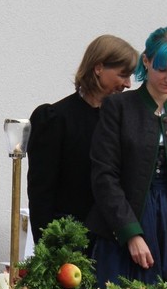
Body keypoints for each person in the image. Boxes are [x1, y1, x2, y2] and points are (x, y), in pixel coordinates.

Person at [87, 26, 167, 289]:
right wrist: (130, 234)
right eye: (162, 69)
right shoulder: (118, 107)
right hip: (128, 219)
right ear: (147, 61)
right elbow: (104, 174)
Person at [27, 35, 138, 243]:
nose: (128, 84)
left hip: (113, 243)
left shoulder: (122, 121)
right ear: (99, 68)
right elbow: (41, 192)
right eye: (123, 75)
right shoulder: (55, 119)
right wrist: (49, 246)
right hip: (70, 242)